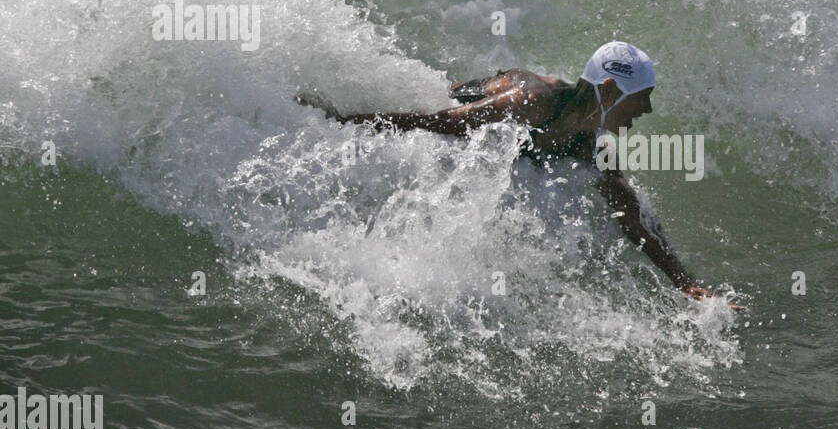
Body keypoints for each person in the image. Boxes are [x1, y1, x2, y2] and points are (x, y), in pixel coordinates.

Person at [305, 41, 735, 307]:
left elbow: (627, 206)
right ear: (608, 91)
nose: (647, 109)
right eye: (642, 98)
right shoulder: (532, 102)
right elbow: (439, 122)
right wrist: (343, 120)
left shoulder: (588, 142)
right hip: (474, 99)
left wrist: (683, 281)